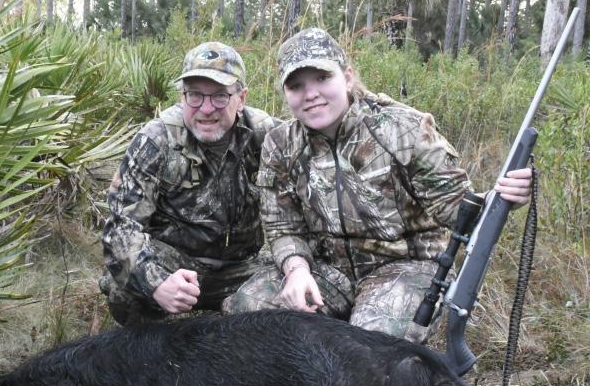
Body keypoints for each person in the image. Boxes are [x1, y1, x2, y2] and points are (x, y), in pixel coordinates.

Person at [223, 28, 533, 342]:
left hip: (405, 268)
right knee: (249, 309)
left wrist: (502, 199)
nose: (311, 93)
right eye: (296, 85)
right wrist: (296, 270)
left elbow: (457, 209)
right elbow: (283, 228)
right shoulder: (280, 144)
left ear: (347, 78)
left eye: (322, 78)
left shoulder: (403, 128)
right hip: (328, 270)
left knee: (366, 346)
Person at [100, 42, 280, 325]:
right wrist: (157, 284)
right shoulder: (157, 140)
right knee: (122, 290)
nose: (206, 109)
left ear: (241, 98)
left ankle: (237, 321)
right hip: (176, 267)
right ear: (182, 97)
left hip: (243, 268)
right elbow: (120, 229)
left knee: (294, 291)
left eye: (220, 96)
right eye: (195, 95)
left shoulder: (266, 135)